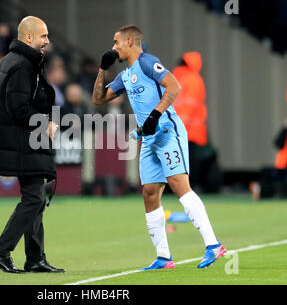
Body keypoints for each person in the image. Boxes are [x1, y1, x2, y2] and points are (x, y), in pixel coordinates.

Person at [92, 24, 226, 269]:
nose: (113, 47)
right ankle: (164, 257)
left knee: (179, 186)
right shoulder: (124, 76)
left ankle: (214, 245)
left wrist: (155, 115)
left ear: (130, 41)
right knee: (150, 193)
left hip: (166, 131)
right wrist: (102, 69)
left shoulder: (147, 62)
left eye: (116, 42)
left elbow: (174, 86)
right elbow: (98, 98)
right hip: (149, 138)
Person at [0, 16, 64, 274]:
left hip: (22, 140)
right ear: (29, 37)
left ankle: (35, 258)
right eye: (43, 36)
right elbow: (17, 107)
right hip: (23, 141)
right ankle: (0, 253)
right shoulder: (23, 65)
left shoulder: (8, 62)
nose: (47, 41)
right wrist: (45, 124)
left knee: (36, 197)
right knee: (33, 198)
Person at [172, 51, 222, 193]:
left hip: (177, 128)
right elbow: (190, 105)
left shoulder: (175, 78)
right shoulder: (194, 79)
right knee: (193, 162)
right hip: (192, 130)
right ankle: (190, 187)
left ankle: (180, 187)